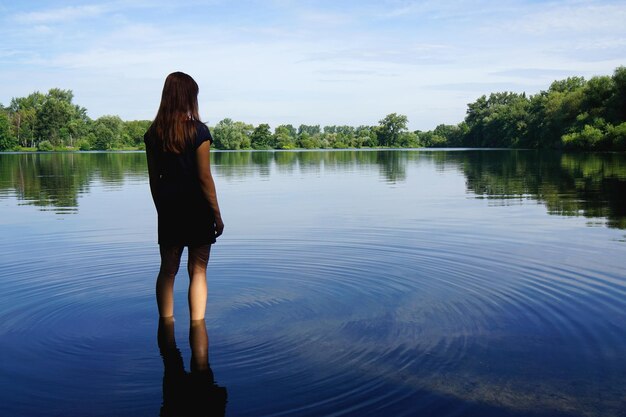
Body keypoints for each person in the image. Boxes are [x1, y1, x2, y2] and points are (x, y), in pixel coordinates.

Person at [144, 71, 224, 320]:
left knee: (168, 270)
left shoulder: (153, 134)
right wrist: (217, 215)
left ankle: (166, 324)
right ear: (189, 98)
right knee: (198, 271)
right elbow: (204, 178)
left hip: (169, 207)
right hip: (197, 208)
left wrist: (162, 210)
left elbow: (153, 180)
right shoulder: (199, 132)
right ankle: (197, 328)